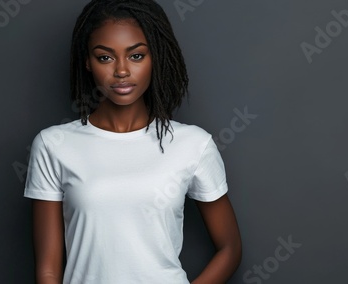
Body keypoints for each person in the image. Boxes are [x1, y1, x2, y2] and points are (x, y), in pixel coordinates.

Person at [23, 0, 242, 283]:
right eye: (105, 57)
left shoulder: (193, 144)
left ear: (155, 57)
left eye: (136, 56)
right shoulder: (54, 145)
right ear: (87, 62)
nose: (122, 71)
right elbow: (48, 270)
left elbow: (230, 248)